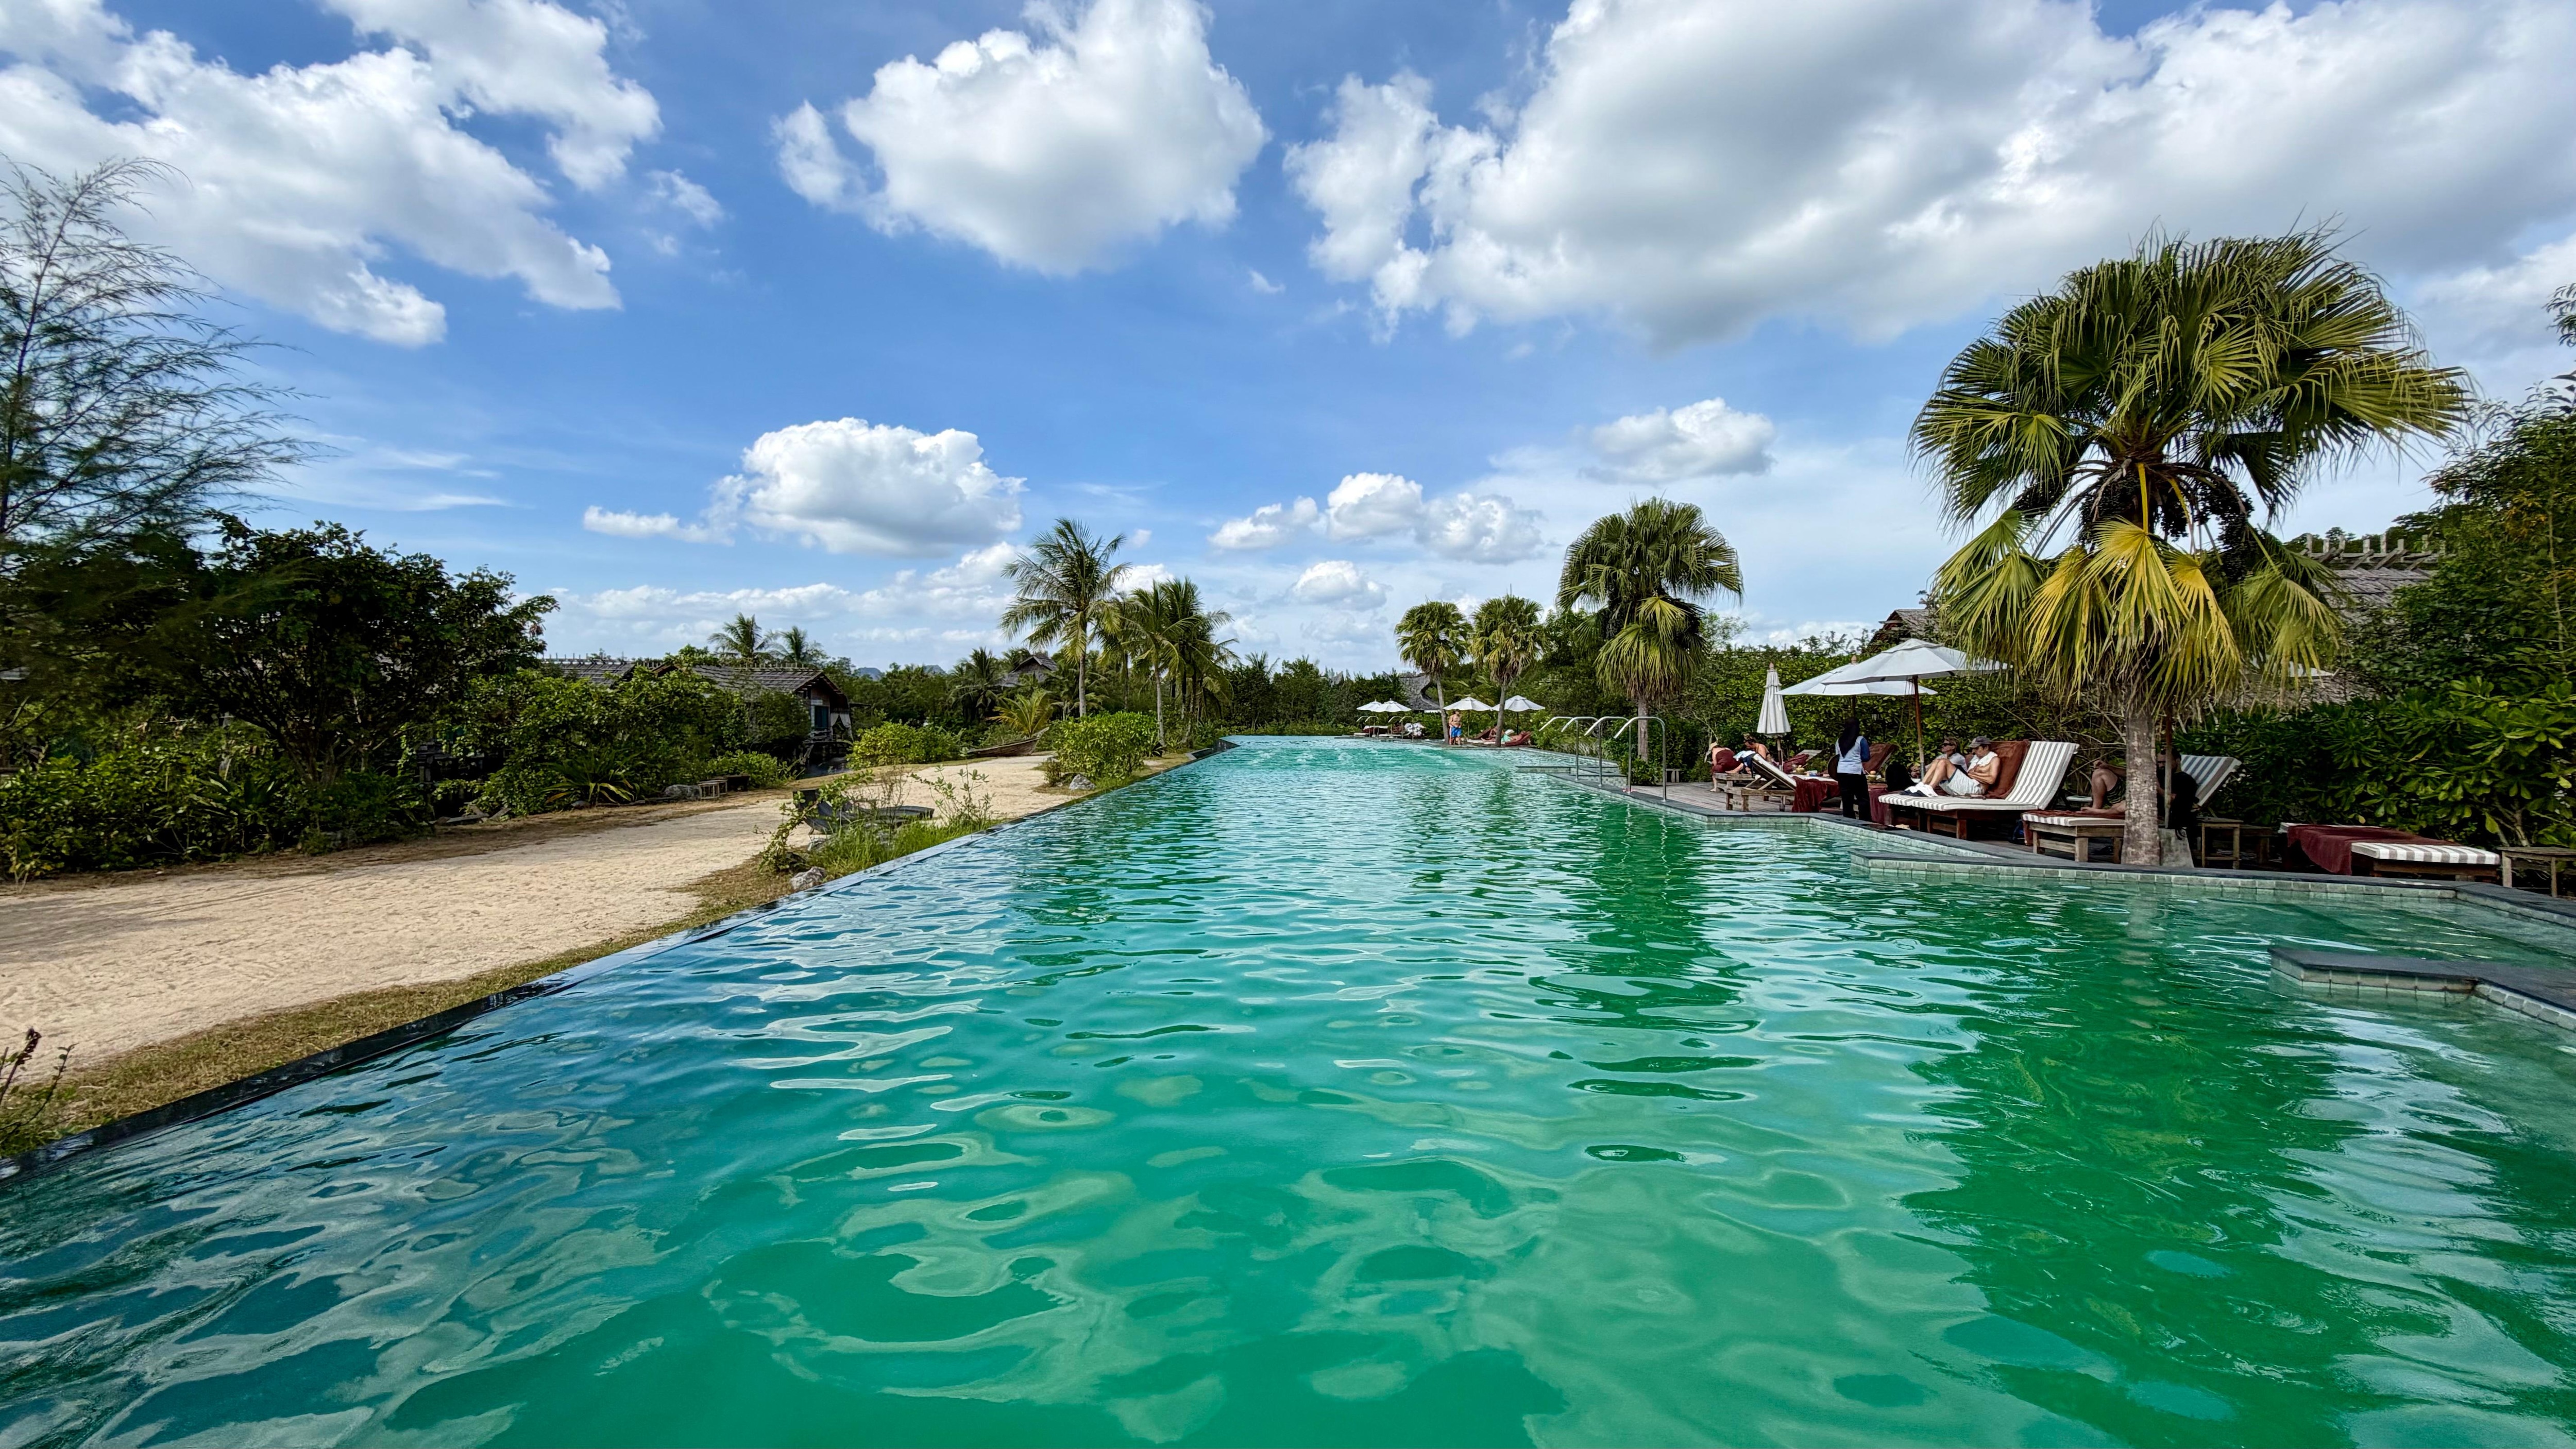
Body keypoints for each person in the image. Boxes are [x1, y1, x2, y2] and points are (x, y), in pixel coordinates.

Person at [1831, 720, 1872, 820]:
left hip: (1842, 772)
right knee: (1863, 799)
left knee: (1847, 799)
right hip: (1856, 772)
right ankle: (1865, 820)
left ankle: (1849, 820)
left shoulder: (1839, 741)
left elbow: (1837, 757)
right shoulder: (1860, 740)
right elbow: (1866, 757)